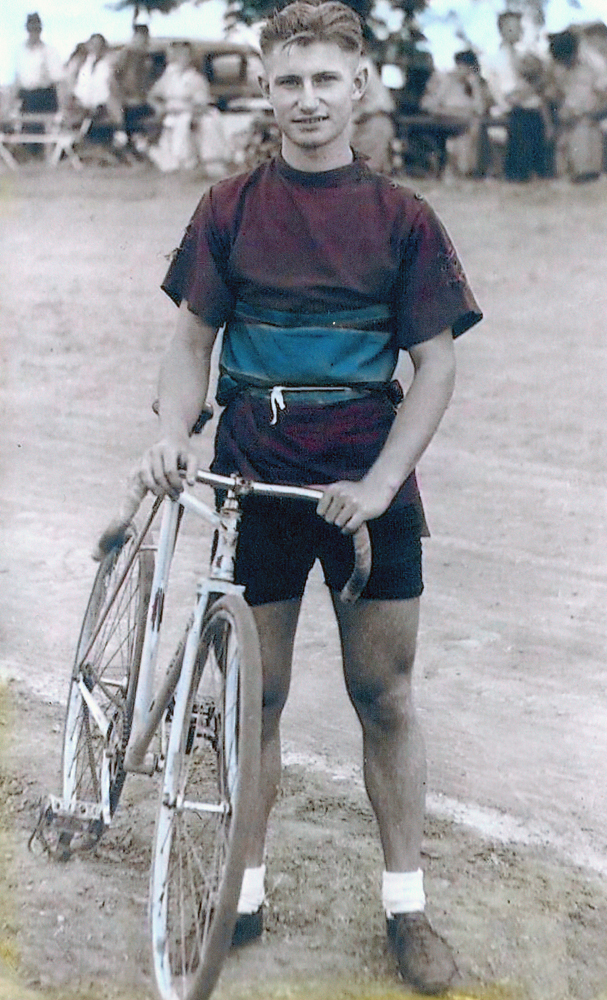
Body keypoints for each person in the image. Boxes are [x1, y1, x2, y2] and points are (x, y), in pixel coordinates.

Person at [139, 1, 482, 994]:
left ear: (359, 86)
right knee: (256, 698)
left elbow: (434, 366)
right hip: (256, 483)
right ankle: (242, 891)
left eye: (325, 79)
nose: (306, 99)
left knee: (383, 695)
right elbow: (190, 341)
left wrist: (377, 487)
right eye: (288, 80)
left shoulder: (403, 217)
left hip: (367, 491)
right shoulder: (229, 208)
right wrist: (173, 433)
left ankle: (406, 909)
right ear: (266, 88)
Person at [483, 10, 552, 181]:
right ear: (502, 30)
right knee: (522, 117)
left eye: (518, 27)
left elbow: (541, 85)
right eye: (511, 27)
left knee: (538, 113)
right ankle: (520, 173)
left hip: (530, 105)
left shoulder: (530, 57)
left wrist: (527, 93)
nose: (516, 31)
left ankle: (539, 171)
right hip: (508, 107)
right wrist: (513, 100)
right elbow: (495, 90)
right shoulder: (492, 59)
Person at [546, 29, 607, 182]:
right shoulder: (555, 64)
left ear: (575, 52)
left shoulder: (596, 64)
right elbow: (555, 95)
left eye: (567, 60)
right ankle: (567, 173)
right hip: (567, 117)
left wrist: (587, 115)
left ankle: (587, 173)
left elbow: (604, 98)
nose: (564, 64)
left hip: (594, 115)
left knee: (584, 130)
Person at [421, 49, 492, 177]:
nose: (463, 70)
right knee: (468, 129)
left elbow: (480, 109)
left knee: (474, 127)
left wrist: (475, 86)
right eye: (460, 66)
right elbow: (430, 106)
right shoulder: (443, 80)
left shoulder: (473, 85)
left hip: (465, 122)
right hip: (443, 120)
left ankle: (469, 170)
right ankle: (458, 169)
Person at [147, 41, 210, 172]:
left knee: (183, 140)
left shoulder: (196, 79)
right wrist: (159, 107)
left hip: (186, 116)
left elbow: (202, 105)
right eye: (179, 55)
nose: (181, 59)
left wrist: (190, 113)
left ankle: (186, 163)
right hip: (169, 115)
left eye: (185, 55)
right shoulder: (170, 76)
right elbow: (153, 95)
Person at [112, 24, 157, 158]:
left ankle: (139, 151)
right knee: (131, 123)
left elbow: (148, 79)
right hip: (127, 98)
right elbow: (117, 76)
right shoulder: (126, 54)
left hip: (141, 97)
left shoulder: (146, 57)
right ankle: (131, 151)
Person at [12, 12, 65, 115]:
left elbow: (58, 81)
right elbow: (17, 79)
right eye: (31, 28)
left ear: (40, 29)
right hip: (26, 98)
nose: (34, 31)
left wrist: (62, 108)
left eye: (36, 28)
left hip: (44, 97)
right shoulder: (20, 51)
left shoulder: (49, 51)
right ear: (27, 29)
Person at [350, 54, 395, 173]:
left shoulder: (361, 65)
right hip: (366, 122)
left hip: (374, 121)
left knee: (370, 170)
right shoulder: (357, 63)